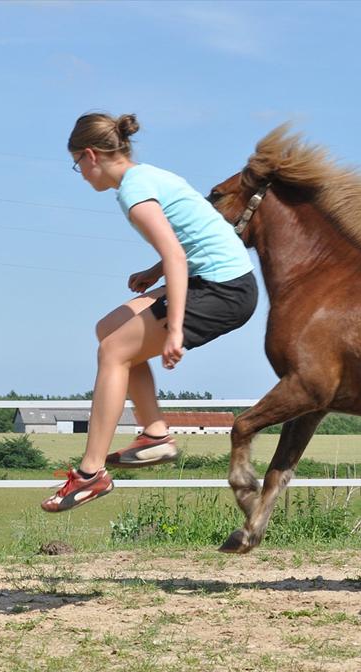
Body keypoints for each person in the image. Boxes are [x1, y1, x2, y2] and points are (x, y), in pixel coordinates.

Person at [41, 112, 258, 512]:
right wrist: (153, 272)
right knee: (109, 329)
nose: (81, 174)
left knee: (113, 351)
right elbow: (196, 233)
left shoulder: (134, 193)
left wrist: (174, 329)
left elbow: (175, 254)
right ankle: (156, 433)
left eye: (77, 164)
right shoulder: (147, 177)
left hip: (223, 290)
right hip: (216, 280)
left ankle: (90, 474)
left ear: (91, 155)